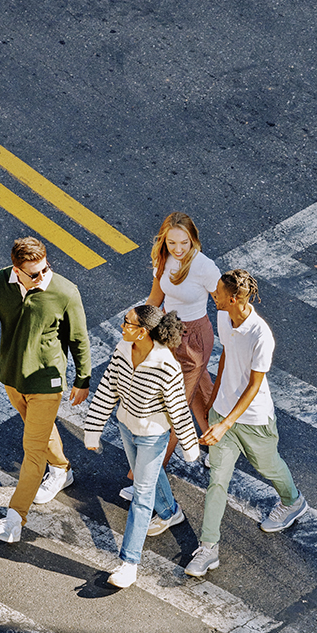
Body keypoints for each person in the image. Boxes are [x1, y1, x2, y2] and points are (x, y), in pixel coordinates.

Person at [0, 236, 91, 544]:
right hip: (12, 379)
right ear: (16, 270)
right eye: (34, 273)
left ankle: (14, 519)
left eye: (45, 269)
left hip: (47, 382)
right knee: (40, 432)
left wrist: (83, 379)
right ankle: (62, 469)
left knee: (32, 451)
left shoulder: (64, 292)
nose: (42, 277)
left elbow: (79, 340)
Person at [185, 269, 307, 578]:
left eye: (218, 295)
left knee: (268, 467)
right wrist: (214, 400)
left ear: (236, 298)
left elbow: (254, 386)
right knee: (217, 483)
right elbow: (226, 351)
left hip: (253, 421)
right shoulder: (225, 318)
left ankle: (292, 501)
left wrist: (225, 423)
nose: (213, 297)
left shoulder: (260, 334)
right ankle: (208, 548)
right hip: (224, 414)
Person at [82, 305, 199, 588]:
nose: (122, 326)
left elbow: (178, 409)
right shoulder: (123, 349)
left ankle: (128, 563)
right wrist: (93, 431)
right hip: (125, 426)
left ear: (143, 331)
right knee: (148, 474)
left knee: (142, 495)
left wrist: (188, 445)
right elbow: (108, 388)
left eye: (127, 323)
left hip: (152, 434)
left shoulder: (166, 365)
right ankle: (171, 512)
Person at [119, 212, 220, 497]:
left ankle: (145, 480)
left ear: (193, 240)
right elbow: (155, 299)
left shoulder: (204, 267)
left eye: (184, 243)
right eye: (172, 242)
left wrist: (236, 338)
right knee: (200, 391)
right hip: (168, 331)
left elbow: (222, 302)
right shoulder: (163, 260)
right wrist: (139, 331)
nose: (178, 249)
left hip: (195, 341)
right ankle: (218, 443)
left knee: (172, 406)